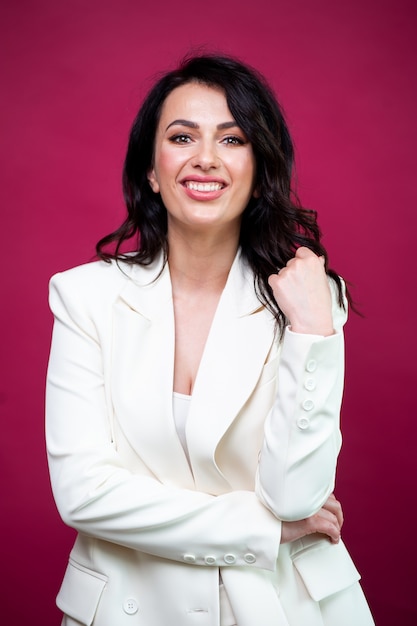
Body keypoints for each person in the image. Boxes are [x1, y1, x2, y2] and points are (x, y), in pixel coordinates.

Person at [45, 54, 374, 626]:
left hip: (282, 606)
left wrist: (312, 332)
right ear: (151, 168)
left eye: (232, 139)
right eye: (181, 136)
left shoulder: (308, 299)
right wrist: (261, 530)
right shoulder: (84, 298)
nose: (205, 159)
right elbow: (84, 494)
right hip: (130, 608)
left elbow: (296, 496)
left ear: (258, 166)